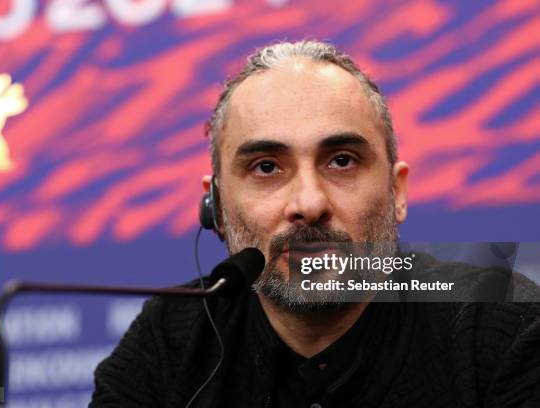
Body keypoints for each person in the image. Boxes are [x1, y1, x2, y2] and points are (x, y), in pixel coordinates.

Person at [90, 40, 540, 407]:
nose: (309, 203)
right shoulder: (171, 338)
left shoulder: (502, 322)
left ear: (396, 191)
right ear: (218, 206)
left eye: (342, 161)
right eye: (266, 168)